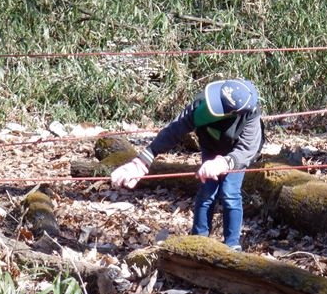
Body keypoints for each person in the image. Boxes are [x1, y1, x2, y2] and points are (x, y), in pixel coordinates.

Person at [111, 79, 264, 251]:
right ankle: (198, 239)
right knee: (207, 190)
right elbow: (174, 130)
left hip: (234, 155)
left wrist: (224, 163)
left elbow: (247, 149)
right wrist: (143, 160)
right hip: (211, 146)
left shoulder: (250, 114)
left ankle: (232, 244)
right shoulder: (203, 103)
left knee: (229, 193)